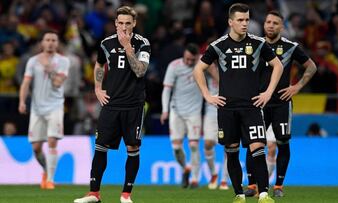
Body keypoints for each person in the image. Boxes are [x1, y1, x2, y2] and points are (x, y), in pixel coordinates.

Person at [193, 3, 283, 203]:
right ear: (230, 22)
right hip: (227, 108)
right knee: (231, 152)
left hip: (251, 107)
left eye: (247, 20)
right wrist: (208, 95)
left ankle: (264, 195)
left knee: (258, 149)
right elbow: (198, 69)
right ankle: (239, 195)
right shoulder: (218, 46)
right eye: (240, 20)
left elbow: (277, 66)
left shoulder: (259, 43)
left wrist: (268, 92)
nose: (245, 24)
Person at [74, 6, 150, 203]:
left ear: (134, 24)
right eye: (121, 23)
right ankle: (94, 194)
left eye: (128, 23)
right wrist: (98, 88)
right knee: (100, 147)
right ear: (115, 23)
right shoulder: (106, 43)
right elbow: (99, 64)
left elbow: (140, 71)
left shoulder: (143, 44)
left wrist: (127, 48)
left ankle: (126, 195)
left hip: (134, 105)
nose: (124, 27)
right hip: (111, 104)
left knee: (132, 148)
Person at [244, 10, 317, 198]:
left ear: (282, 27)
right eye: (268, 22)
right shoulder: (254, 45)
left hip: (281, 104)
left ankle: (278, 186)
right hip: (258, 103)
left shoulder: (290, 47)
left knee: (282, 143)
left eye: (275, 23)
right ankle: (252, 185)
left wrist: (297, 86)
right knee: (255, 143)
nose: (270, 25)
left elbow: (311, 67)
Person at [18, 30, 70, 189]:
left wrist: (50, 69)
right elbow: (26, 83)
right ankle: (46, 171)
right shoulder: (33, 61)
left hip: (55, 106)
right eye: (47, 39)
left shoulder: (63, 61)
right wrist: (22, 101)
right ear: (42, 42)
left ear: (57, 43)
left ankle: (50, 180)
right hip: (37, 108)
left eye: (54, 40)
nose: (50, 43)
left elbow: (58, 83)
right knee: (36, 148)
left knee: (52, 141)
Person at [160, 43, 202, 189]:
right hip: (176, 111)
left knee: (194, 145)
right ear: (184, 55)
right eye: (187, 59)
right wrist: (165, 110)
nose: (190, 62)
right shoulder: (174, 66)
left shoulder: (202, 63)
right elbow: (166, 90)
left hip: (194, 112)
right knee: (177, 148)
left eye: (193, 60)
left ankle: (195, 179)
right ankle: (185, 168)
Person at [203, 64, 229, 190]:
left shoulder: (230, 65)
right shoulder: (207, 67)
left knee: (229, 146)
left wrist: (214, 70)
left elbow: (226, 83)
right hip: (211, 109)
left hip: (228, 109)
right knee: (208, 143)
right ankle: (214, 174)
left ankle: (224, 179)